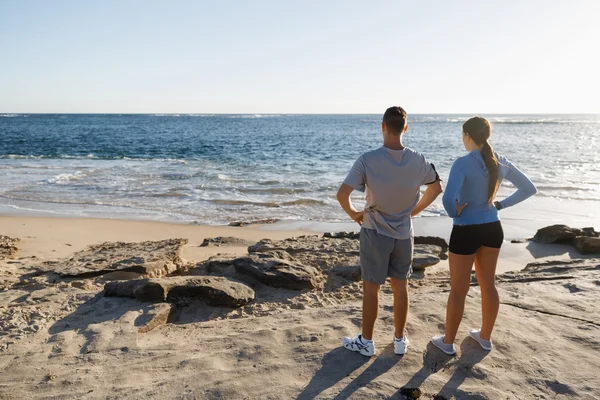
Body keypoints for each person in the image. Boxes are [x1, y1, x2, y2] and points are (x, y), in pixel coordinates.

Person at [337, 106, 443, 357]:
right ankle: (398, 340)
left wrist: (354, 215)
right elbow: (436, 189)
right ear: (405, 128)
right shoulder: (419, 160)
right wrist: (413, 211)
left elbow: (342, 195)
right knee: (401, 286)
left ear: (383, 126)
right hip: (404, 234)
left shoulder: (367, 159)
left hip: (375, 232)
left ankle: (367, 341)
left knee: (371, 288)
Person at [431, 116, 537, 355]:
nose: (462, 139)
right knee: (488, 285)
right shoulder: (499, 161)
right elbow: (529, 188)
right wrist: (500, 206)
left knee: (459, 289)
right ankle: (485, 337)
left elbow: (448, 199)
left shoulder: (462, 163)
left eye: (462, 135)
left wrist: (453, 212)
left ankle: (447, 343)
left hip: (466, 230)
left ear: (468, 136)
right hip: (492, 227)